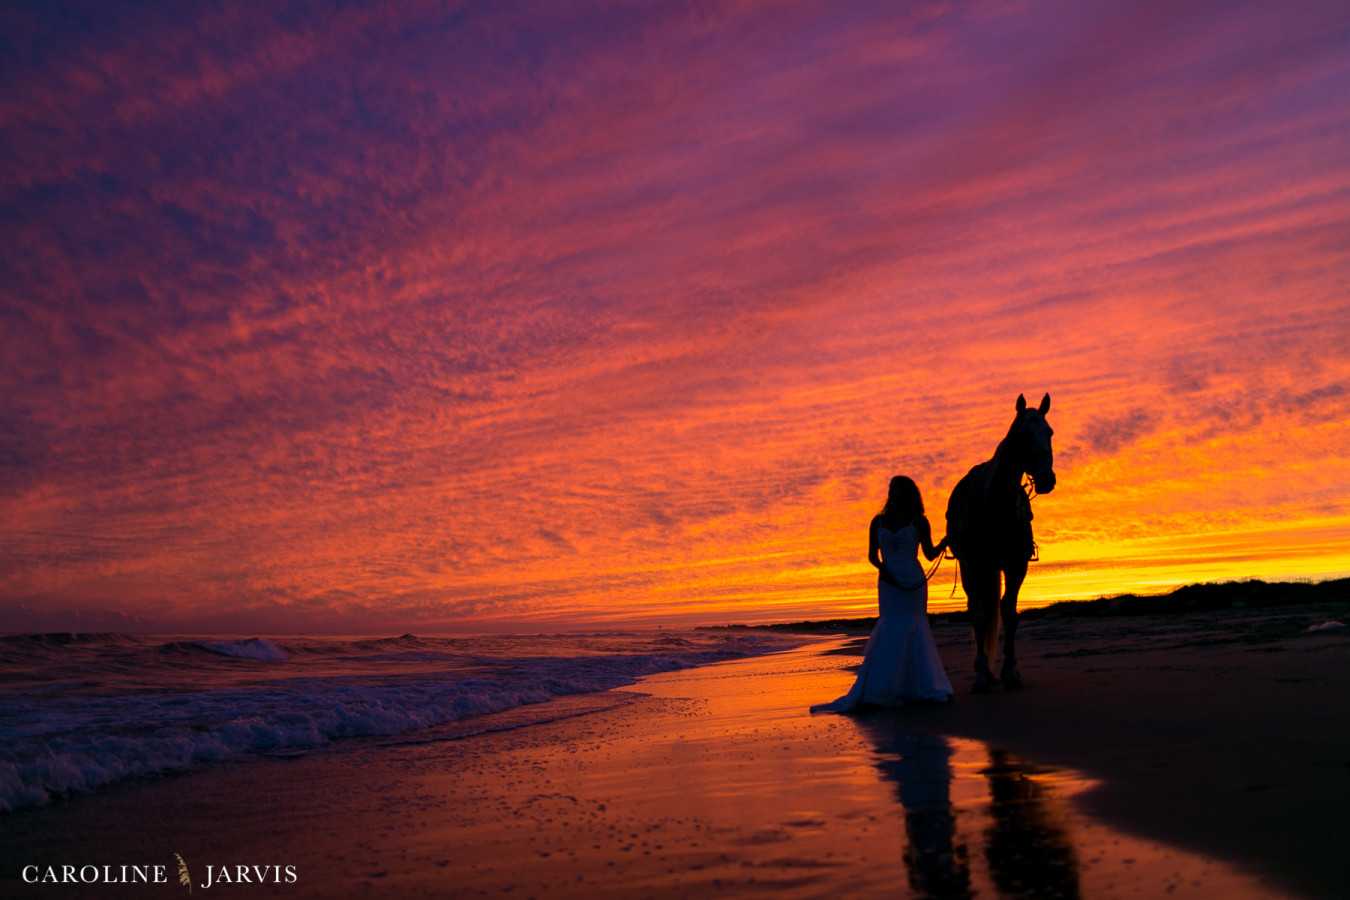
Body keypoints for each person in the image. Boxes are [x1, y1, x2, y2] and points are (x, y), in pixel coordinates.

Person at [812, 475, 953, 712]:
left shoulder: (919, 521)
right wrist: (882, 569)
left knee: (914, 627)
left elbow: (928, 554)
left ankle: (922, 687)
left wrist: (946, 542)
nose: (891, 492)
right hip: (888, 583)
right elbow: (871, 556)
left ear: (907, 492)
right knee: (890, 626)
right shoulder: (877, 522)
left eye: (896, 488)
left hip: (913, 581)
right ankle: (884, 688)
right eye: (890, 488)